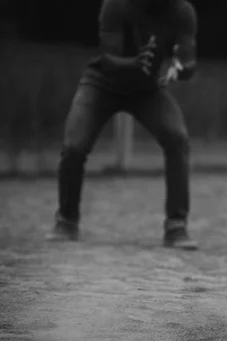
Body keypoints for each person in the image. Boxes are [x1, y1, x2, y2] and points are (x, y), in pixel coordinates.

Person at [46, 0, 198, 250]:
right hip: (101, 84)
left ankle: (176, 226)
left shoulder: (182, 12)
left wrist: (181, 69)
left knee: (177, 138)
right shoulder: (117, 4)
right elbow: (107, 59)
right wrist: (136, 63)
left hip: (146, 90)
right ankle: (66, 220)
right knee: (74, 146)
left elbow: (188, 60)